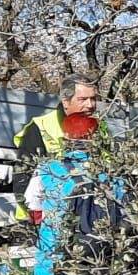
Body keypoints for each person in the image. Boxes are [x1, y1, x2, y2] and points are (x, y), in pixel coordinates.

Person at [12, 75, 101, 215]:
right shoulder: (41, 126)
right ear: (66, 102)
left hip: (90, 217)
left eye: (93, 98)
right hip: (46, 220)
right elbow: (22, 176)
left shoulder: (101, 128)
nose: (90, 105)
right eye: (83, 99)